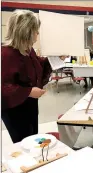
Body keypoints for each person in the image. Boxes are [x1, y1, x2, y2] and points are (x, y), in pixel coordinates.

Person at [1, 10, 67, 143]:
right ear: (26, 31)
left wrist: (54, 59)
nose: (38, 33)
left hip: (29, 104)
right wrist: (29, 92)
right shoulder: (6, 54)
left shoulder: (27, 49)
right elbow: (4, 87)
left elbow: (38, 65)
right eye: (35, 30)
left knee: (32, 138)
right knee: (23, 142)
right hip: (15, 109)